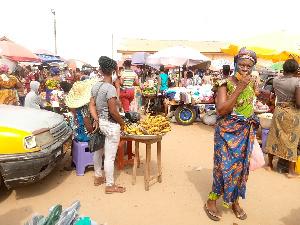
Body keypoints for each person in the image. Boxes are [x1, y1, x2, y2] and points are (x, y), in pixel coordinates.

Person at [204, 47, 260, 221]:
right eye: (242, 65)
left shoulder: (252, 83)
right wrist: (239, 88)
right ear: (236, 64)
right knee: (223, 167)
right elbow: (221, 111)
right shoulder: (225, 83)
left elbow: (250, 104)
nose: (245, 69)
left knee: (240, 168)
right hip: (226, 133)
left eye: (248, 66)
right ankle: (211, 201)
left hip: (244, 132)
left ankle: (235, 201)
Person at [89, 56, 126, 193]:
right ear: (113, 72)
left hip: (100, 124)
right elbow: (113, 111)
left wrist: (97, 120)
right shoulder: (110, 89)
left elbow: (91, 105)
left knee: (98, 152)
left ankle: (98, 177)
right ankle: (110, 185)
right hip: (110, 125)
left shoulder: (96, 86)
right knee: (109, 157)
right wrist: (122, 124)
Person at [265, 59, 300, 178]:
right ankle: (291, 172)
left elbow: (273, 93)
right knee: (291, 140)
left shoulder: (276, 79)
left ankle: (269, 165)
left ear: (284, 69)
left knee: (274, 136)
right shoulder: (297, 82)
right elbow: (299, 102)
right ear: (296, 70)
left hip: (279, 110)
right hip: (292, 113)